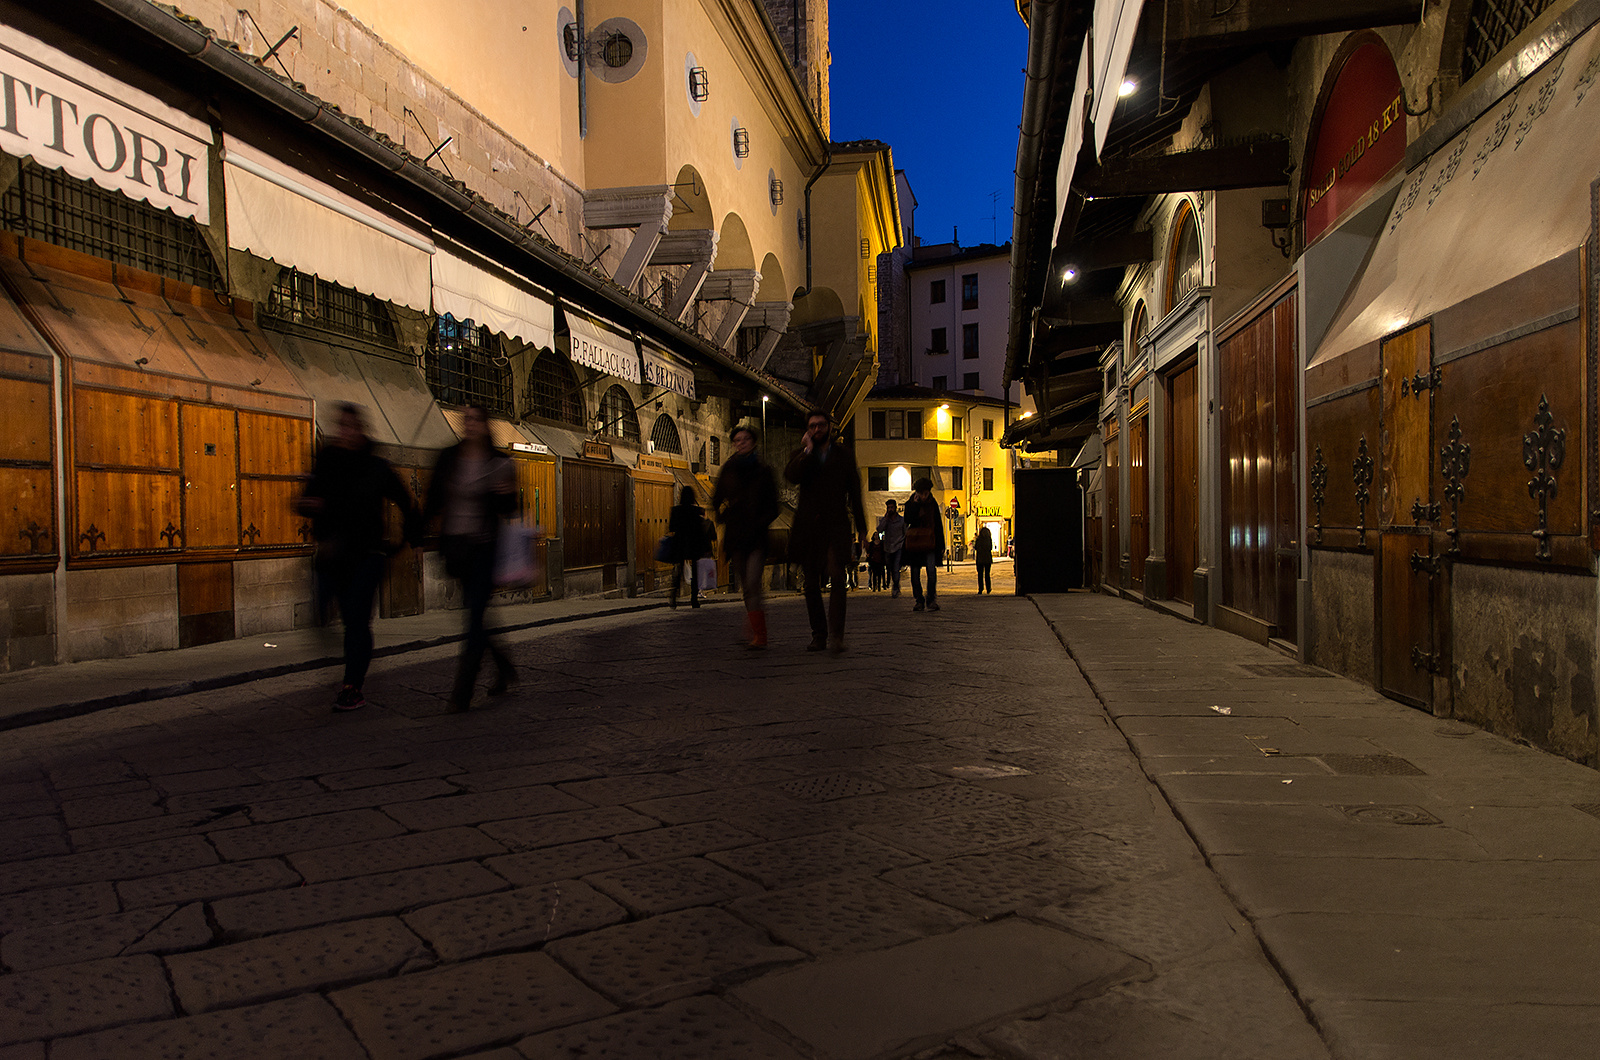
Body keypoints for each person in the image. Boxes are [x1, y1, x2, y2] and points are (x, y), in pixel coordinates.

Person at [298, 403, 419, 712]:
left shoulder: (376, 466)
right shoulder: (327, 461)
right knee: (322, 612)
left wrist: (405, 538)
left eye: (351, 427)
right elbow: (305, 497)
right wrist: (308, 504)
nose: (346, 433)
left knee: (356, 622)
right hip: (331, 554)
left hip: (366, 555)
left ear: (361, 430)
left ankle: (352, 686)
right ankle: (347, 662)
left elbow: (404, 499)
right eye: (342, 426)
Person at [422, 404, 518, 712]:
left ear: (486, 424)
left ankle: (462, 690)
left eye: (475, 420)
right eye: (466, 420)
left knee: (474, 616)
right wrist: (416, 536)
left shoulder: (500, 462)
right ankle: (503, 666)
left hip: (485, 548)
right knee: (475, 614)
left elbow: (511, 508)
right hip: (456, 548)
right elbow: (433, 498)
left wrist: (505, 495)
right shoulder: (449, 457)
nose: (470, 424)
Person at [785, 409, 867, 651]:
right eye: (812, 426)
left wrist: (862, 529)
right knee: (810, 583)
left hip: (836, 525)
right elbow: (791, 476)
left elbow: (854, 491)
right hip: (809, 527)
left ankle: (836, 636)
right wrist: (807, 451)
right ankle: (819, 634)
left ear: (829, 427)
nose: (817, 430)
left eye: (821, 425)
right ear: (807, 430)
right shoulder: (803, 455)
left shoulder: (843, 455)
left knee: (837, 576)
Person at [712, 423, 779, 648]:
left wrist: (759, 521)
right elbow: (716, 497)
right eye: (738, 440)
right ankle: (753, 622)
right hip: (737, 537)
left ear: (753, 442)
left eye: (746, 439)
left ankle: (761, 634)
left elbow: (774, 506)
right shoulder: (728, 469)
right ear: (734, 444)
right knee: (747, 586)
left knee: (752, 581)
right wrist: (723, 516)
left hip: (757, 537)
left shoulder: (764, 470)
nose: (742, 443)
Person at [901, 477, 946, 612]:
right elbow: (908, 520)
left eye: (926, 493)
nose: (924, 496)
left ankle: (931, 599)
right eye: (922, 493)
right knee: (915, 573)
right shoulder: (911, 503)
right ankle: (919, 600)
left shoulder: (933, 504)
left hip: (930, 542)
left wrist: (941, 544)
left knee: (931, 571)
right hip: (915, 543)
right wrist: (915, 505)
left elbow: (938, 524)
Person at [667, 486, 711, 608]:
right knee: (695, 573)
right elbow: (702, 529)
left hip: (680, 543)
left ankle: (673, 597)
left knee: (679, 571)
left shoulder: (676, 510)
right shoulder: (697, 511)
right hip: (694, 544)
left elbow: (671, 527)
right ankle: (694, 599)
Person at [877, 499, 906, 598]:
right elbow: (879, 530)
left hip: (898, 547)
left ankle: (895, 587)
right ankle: (895, 584)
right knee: (890, 568)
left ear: (895, 508)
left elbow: (905, 532)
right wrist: (885, 519)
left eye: (892, 507)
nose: (890, 509)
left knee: (896, 568)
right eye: (888, 507)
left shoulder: (901, 520)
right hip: (888, 548)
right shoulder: (885, 520)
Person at [975, 524, 994, 594]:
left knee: (980, 575)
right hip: (987, 559)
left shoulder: (979, 539)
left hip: (980, 559)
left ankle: (981, 589)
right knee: (987, 575)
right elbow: (990, 548)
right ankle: (988, 588)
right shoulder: (989, 539)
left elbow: (976, 547)